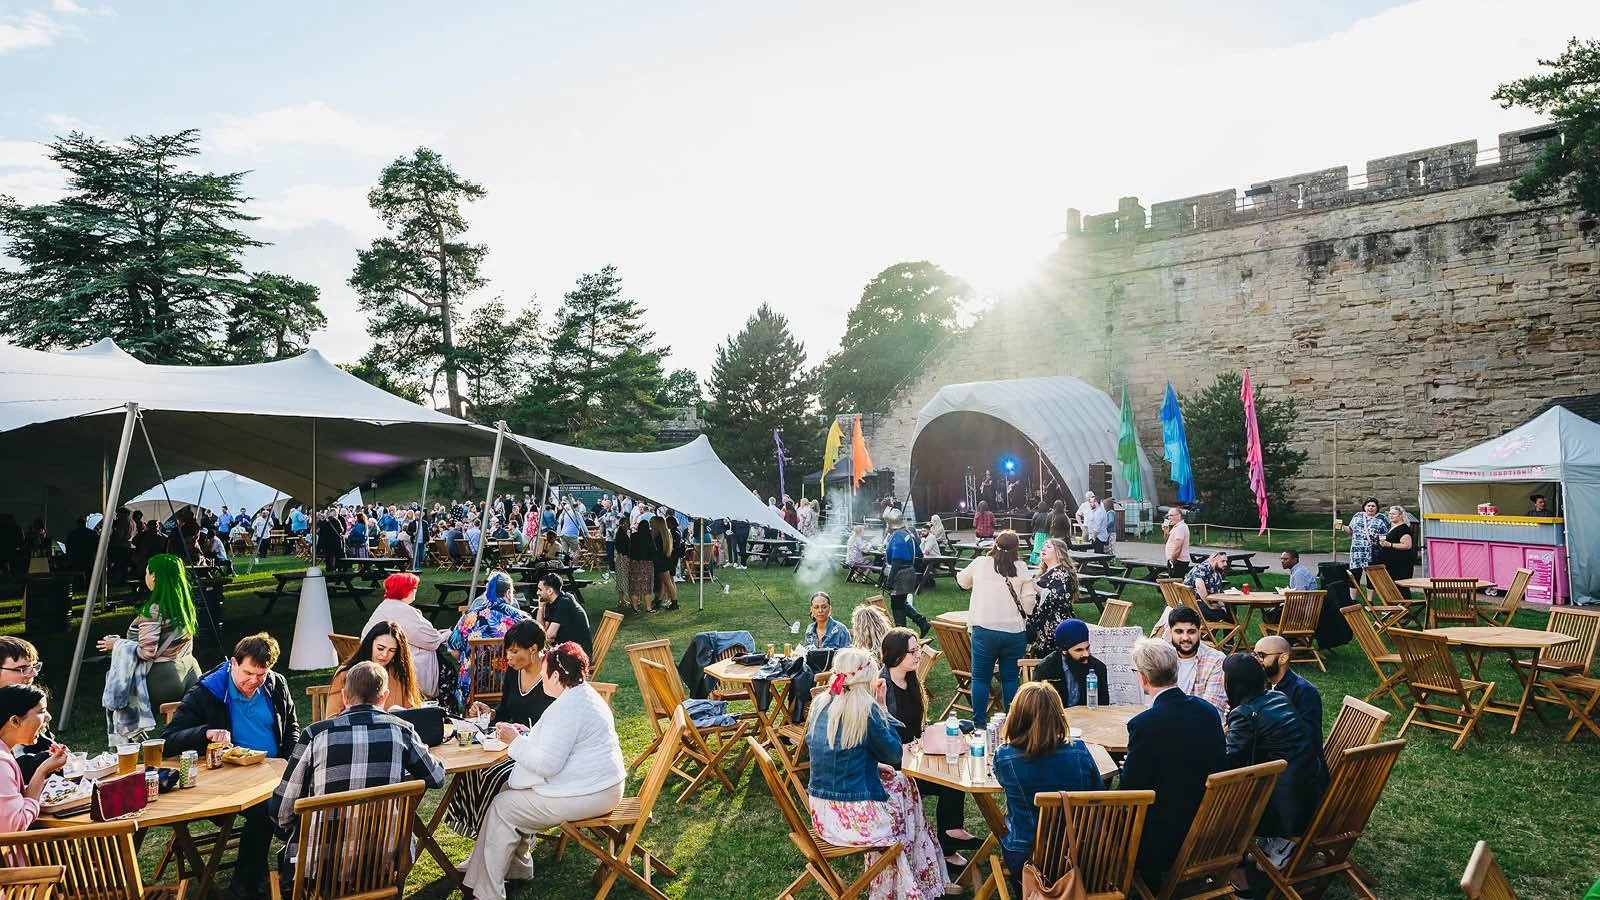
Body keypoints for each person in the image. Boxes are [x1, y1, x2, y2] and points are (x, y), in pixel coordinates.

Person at [461, 642, 625, 900]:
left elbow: (548, 765)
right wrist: (524, 736)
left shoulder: (569, 707)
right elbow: (557, 745)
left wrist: (515, 741)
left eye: (544, 672)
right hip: (601, 785)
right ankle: (517, 867)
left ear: (557, 676)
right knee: (507, 791)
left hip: (592, 793)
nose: (541, 678)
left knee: (504, 806)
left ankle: (487, 892)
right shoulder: (583, 695)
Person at [270, 661, 445, 879]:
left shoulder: (315, 735)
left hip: (319, 869)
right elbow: (437, 778)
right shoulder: (401, 731)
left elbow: (281, 812)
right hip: (382, 863)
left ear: (344, 696)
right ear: (384, 697)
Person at [804, 648, 955, 898]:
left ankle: (919, 877)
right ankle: (907, 885)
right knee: (906, 798)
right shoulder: (866, 710)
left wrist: (871, 767)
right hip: (853, 820)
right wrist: (882, 708)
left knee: (903, 783)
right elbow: (895, 755)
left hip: (822, 813)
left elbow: (828, 753)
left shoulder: (821, 703)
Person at [165, 633, 299, 900]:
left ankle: (295, 869)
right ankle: (245, 885)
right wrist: (205, 733)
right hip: (230, 779)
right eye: (249, 673)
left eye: (262, 674)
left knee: (306, 800)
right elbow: (167, 740)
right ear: (233, 663)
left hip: (274, 772)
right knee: (266, 811)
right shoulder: (207, 691)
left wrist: (290, 761)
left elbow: (292, 727)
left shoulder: (275, 684)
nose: (254, 681)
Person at [1120, 638, 1227, 893]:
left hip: (1164, 839)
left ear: (1143, 678)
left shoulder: (1145, 724)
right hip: (1212, 824)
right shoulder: (1207, 711)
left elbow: (1129, 792)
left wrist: (1129, 768)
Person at [881, 629, 976, 869]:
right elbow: (880, 739)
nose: (918, 655)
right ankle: (949, 841)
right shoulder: (881, 689)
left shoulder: (911, 681)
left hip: (915, 755)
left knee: (953, 771)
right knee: (947, 780)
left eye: (918, 649)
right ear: (895, 656)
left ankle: (950, 835)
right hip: (893, 766)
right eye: (913, 651)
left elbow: (918, 726)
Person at [1222, 653, 1321, 883]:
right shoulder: (1278, 697)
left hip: (1280, 809)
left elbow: (1227, 762)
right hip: (1308, 791)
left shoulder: (1245, 714)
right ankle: (1267, 845)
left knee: (1218, 801)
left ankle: (1238, 874)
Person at [994, 681, 1104, 885]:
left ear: (1017, 716)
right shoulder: (1079, 749)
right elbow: (1099, 793)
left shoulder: (1005, 756)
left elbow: (1001, 780)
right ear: (1058, 714)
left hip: (1030, 856)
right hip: (1083, 854)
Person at [97, 553, 203, 723]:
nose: (145, 576)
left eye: (147, 572)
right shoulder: (184, 606)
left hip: (163, 678)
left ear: (155, 577)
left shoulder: (153, 611)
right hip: (190, 670)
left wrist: (117, 644)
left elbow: (147, 652)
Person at [957, 530, 1036, 726]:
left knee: (981, 678)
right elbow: (1029, 602)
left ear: (995, 544)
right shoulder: (1021, 568)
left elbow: (962, 581)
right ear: (1017, 548)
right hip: (1014, 631)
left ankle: (980, 724)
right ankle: (1012, 723)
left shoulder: (981, 563)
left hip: (984, 629)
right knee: (1010, 679)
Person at [446, 571, 531, 709]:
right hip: (509, 683)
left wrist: (468, 659)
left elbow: (452, 649)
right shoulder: (521, 619)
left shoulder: (470, 616)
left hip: (473, 684)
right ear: (508, 593)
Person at [362, 572, 450, 699]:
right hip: (396, 666)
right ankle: (445, 711)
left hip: (379, 661)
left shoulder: (385, 606)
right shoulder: (401, 610)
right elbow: (430, 640)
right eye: (414, 588)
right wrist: (446, 634)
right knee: (448, 671)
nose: (415, 591)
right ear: (406, 591)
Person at [1255, 635, 1327, 784]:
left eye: (1261, 655)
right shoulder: (1267, 685)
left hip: (1299, 776)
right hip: (1278, 763)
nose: (1257, 661)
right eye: (1255, 655)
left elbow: (1309, 738)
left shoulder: (1303, 692)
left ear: (1283, 658)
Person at [0, 684, 66, 833]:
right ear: (15, 721)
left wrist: (42, 771)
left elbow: (13, 803)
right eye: (41, 711)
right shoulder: (1, 762)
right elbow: (15, 825)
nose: (48, 717)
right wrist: (42, 771)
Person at [325, 621, 423, 719]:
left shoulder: (398, 672)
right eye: (380, 648)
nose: (385, 654)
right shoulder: (345, 674)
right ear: (370, 644)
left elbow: (412, 711)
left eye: (392, 650)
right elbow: (332, 718)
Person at [1034, 619, 1109, 708]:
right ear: (1064, 651)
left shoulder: (1098, 668)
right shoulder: (1046, 669)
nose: (1086, 654)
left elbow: (1103, 705)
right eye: (1079, 650)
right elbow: (1039, 707)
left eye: (1087, 648)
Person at [1167, 606, 1228, 716]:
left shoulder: (1216, 660)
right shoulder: (1163, 658)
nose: (1185, 638)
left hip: (1202, 726)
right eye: (1179, 632)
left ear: (1199, 632)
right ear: (1170, 632)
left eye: (1191, 632)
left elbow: (1211, 709)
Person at [1027, 538, 1080, 657]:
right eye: (1043, 547)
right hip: (1043, 627)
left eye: (1049, 547)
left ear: (1059, 553)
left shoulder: (1061, 574)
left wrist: (1035, 587)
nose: (1044, 549)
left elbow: (1057, 599)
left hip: (1055, 629)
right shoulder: (1047, 572)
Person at [883, 522, 932, 637]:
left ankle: (902, 635)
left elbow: (897, 560)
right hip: (910, 572)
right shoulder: (909, 534)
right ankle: (921, 622)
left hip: (900, 574)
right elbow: (919, 554)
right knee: (901, 603)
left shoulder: (897, 536)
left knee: (897, 606)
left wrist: (890, 580)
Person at [535, 572, 593, 657]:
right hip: (565, 651)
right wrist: (540, 607)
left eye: (540, 590)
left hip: (577, 655)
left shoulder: (565, 603)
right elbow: (541, 630)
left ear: (550, 591)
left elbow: (549, 636)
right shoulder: (552, 602)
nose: (537, 593)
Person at [1337, 498, 1387, 585]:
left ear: (1377, 508)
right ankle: (1353, 598)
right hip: (1357, 552)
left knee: (1371, 578)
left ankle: (1369, 599)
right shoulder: (1357, 516)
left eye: (1373, 506)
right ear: (1364, 507)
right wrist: (1340, 525)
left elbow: (1386, 534)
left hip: (1372, 553)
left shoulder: (1381, 518)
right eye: (1368, 506)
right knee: (1354, 577)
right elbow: (1350, 531)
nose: (1370, 508)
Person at [1183, 551, 1235, 624]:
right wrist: (1209, 605)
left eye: (1226, 561)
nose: (1225, 564)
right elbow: (1199, 587)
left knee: (1231, 610)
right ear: (1213, 560)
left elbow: (1218, 592)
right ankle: (1209, 634)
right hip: (1193, 605)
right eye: (1223, 561)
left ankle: (1219, 635)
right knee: (1220, 614)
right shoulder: (1202, 569)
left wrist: (1222, 604)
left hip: (1204, 602)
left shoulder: (1216, 572)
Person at [1374, 505, 1417, 592]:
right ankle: (1396, 604)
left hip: (1400, 564)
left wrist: (1390, 544)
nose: (1391, 516)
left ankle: (1404, 604)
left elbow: (1407, 545)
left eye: (1393, 514)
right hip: (1391, 563)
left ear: (1401, 515)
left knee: (1400, 587)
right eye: (1390, 514)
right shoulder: (1393, 527)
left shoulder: (1403, 529)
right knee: (1392, 587)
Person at [627, 512, 656, 613]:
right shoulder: (650, 538)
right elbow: (653, 551)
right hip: (647, 564)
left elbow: (630, 549)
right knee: (646, 587)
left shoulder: (634, 537)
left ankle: (635, 608)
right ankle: (648, 608)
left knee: (634, 586)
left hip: (634, 563)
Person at [650, 514, 679, 611]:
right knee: (664, 583)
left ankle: (674, 602)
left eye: (652, 523)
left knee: (667, 582)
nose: (651, 525)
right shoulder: (665, 535)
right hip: (665, 560)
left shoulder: (659, 536)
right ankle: (659, 601)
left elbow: (657, 550)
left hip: (662, 562)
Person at [1162, 507, 1191, 576]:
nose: (1169, 518)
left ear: (1179, 516)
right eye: (1168, 516)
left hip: (1178, 561)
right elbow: (1167, 540)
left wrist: (1172, 560)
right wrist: (1166, 531)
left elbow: (1178, 547)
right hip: (1176, 560)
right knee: (1174, 582)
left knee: (1175, 583)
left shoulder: (1180, 528)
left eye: (1171, 515)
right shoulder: (1176, 527)